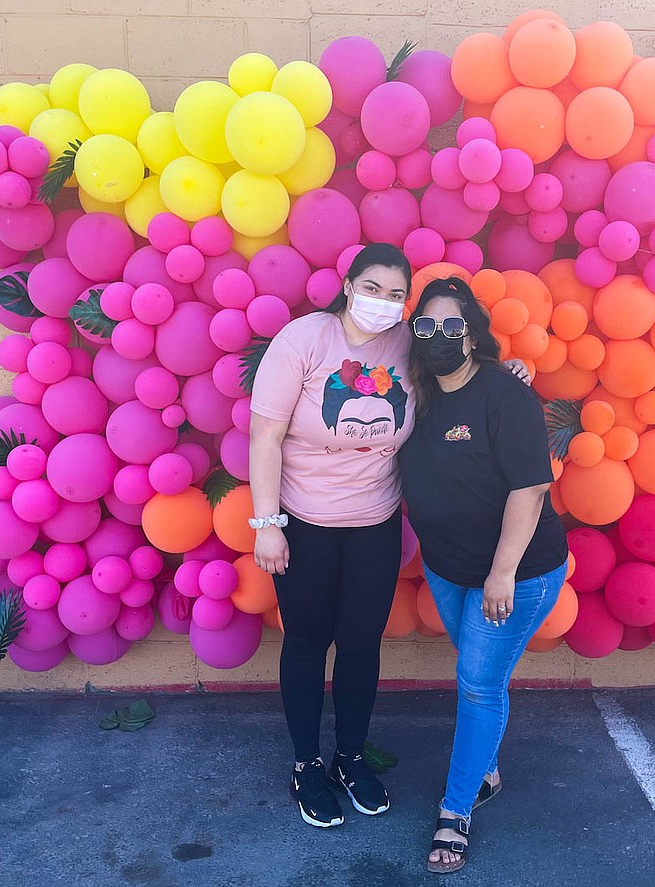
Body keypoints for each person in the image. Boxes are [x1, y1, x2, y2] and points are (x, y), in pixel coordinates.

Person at [249, 246, 529, 830]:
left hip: (375, 525)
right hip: (305, 525)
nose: (384, 302)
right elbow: (265, 437)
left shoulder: (408, 345)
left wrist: (510, 376)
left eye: (397, 294)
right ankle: (305, 764)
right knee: (305, 644)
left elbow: (461, 378)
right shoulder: (304, 339)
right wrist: (268, 525)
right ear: (348, 285)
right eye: (372, 288)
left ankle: (350, 757)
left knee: (359, 646)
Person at [398, 277, 568, 874]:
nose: (438, 336)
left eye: (451, 325)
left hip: (514, 574)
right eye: (426, 325)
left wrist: (502, 574)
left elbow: (530, 487)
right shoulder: (417, 395)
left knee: (476, 683)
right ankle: (485, 770)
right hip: (448, 570)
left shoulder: (504, 394)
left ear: (471, 333)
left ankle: (455, 811)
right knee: (479, 677)